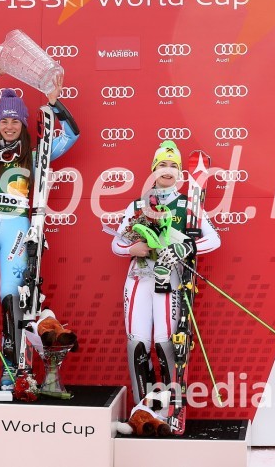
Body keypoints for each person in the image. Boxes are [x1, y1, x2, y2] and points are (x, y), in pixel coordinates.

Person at [0, 62, 79, 391]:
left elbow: (72, 134)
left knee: (12, 299)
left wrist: (54, 105)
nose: (10, 125)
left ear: (23, 124)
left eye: (15, 120)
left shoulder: (36, 155)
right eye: (5, 120)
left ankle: (13, 369)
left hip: (17, 230)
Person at [111, 140, 221, 404]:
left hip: (169, 279)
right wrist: (132, 249)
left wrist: (183, 248)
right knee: (137, 343)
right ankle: (143, 406)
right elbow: (116, 243)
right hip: (138, 278)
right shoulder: (137, 206)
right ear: (153, 170)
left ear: (181, 173)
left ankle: (171, 407)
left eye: (173, 166)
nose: (167, 170)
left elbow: (214, 240)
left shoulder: (188, 205)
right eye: (162, 165)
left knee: (165, 343)